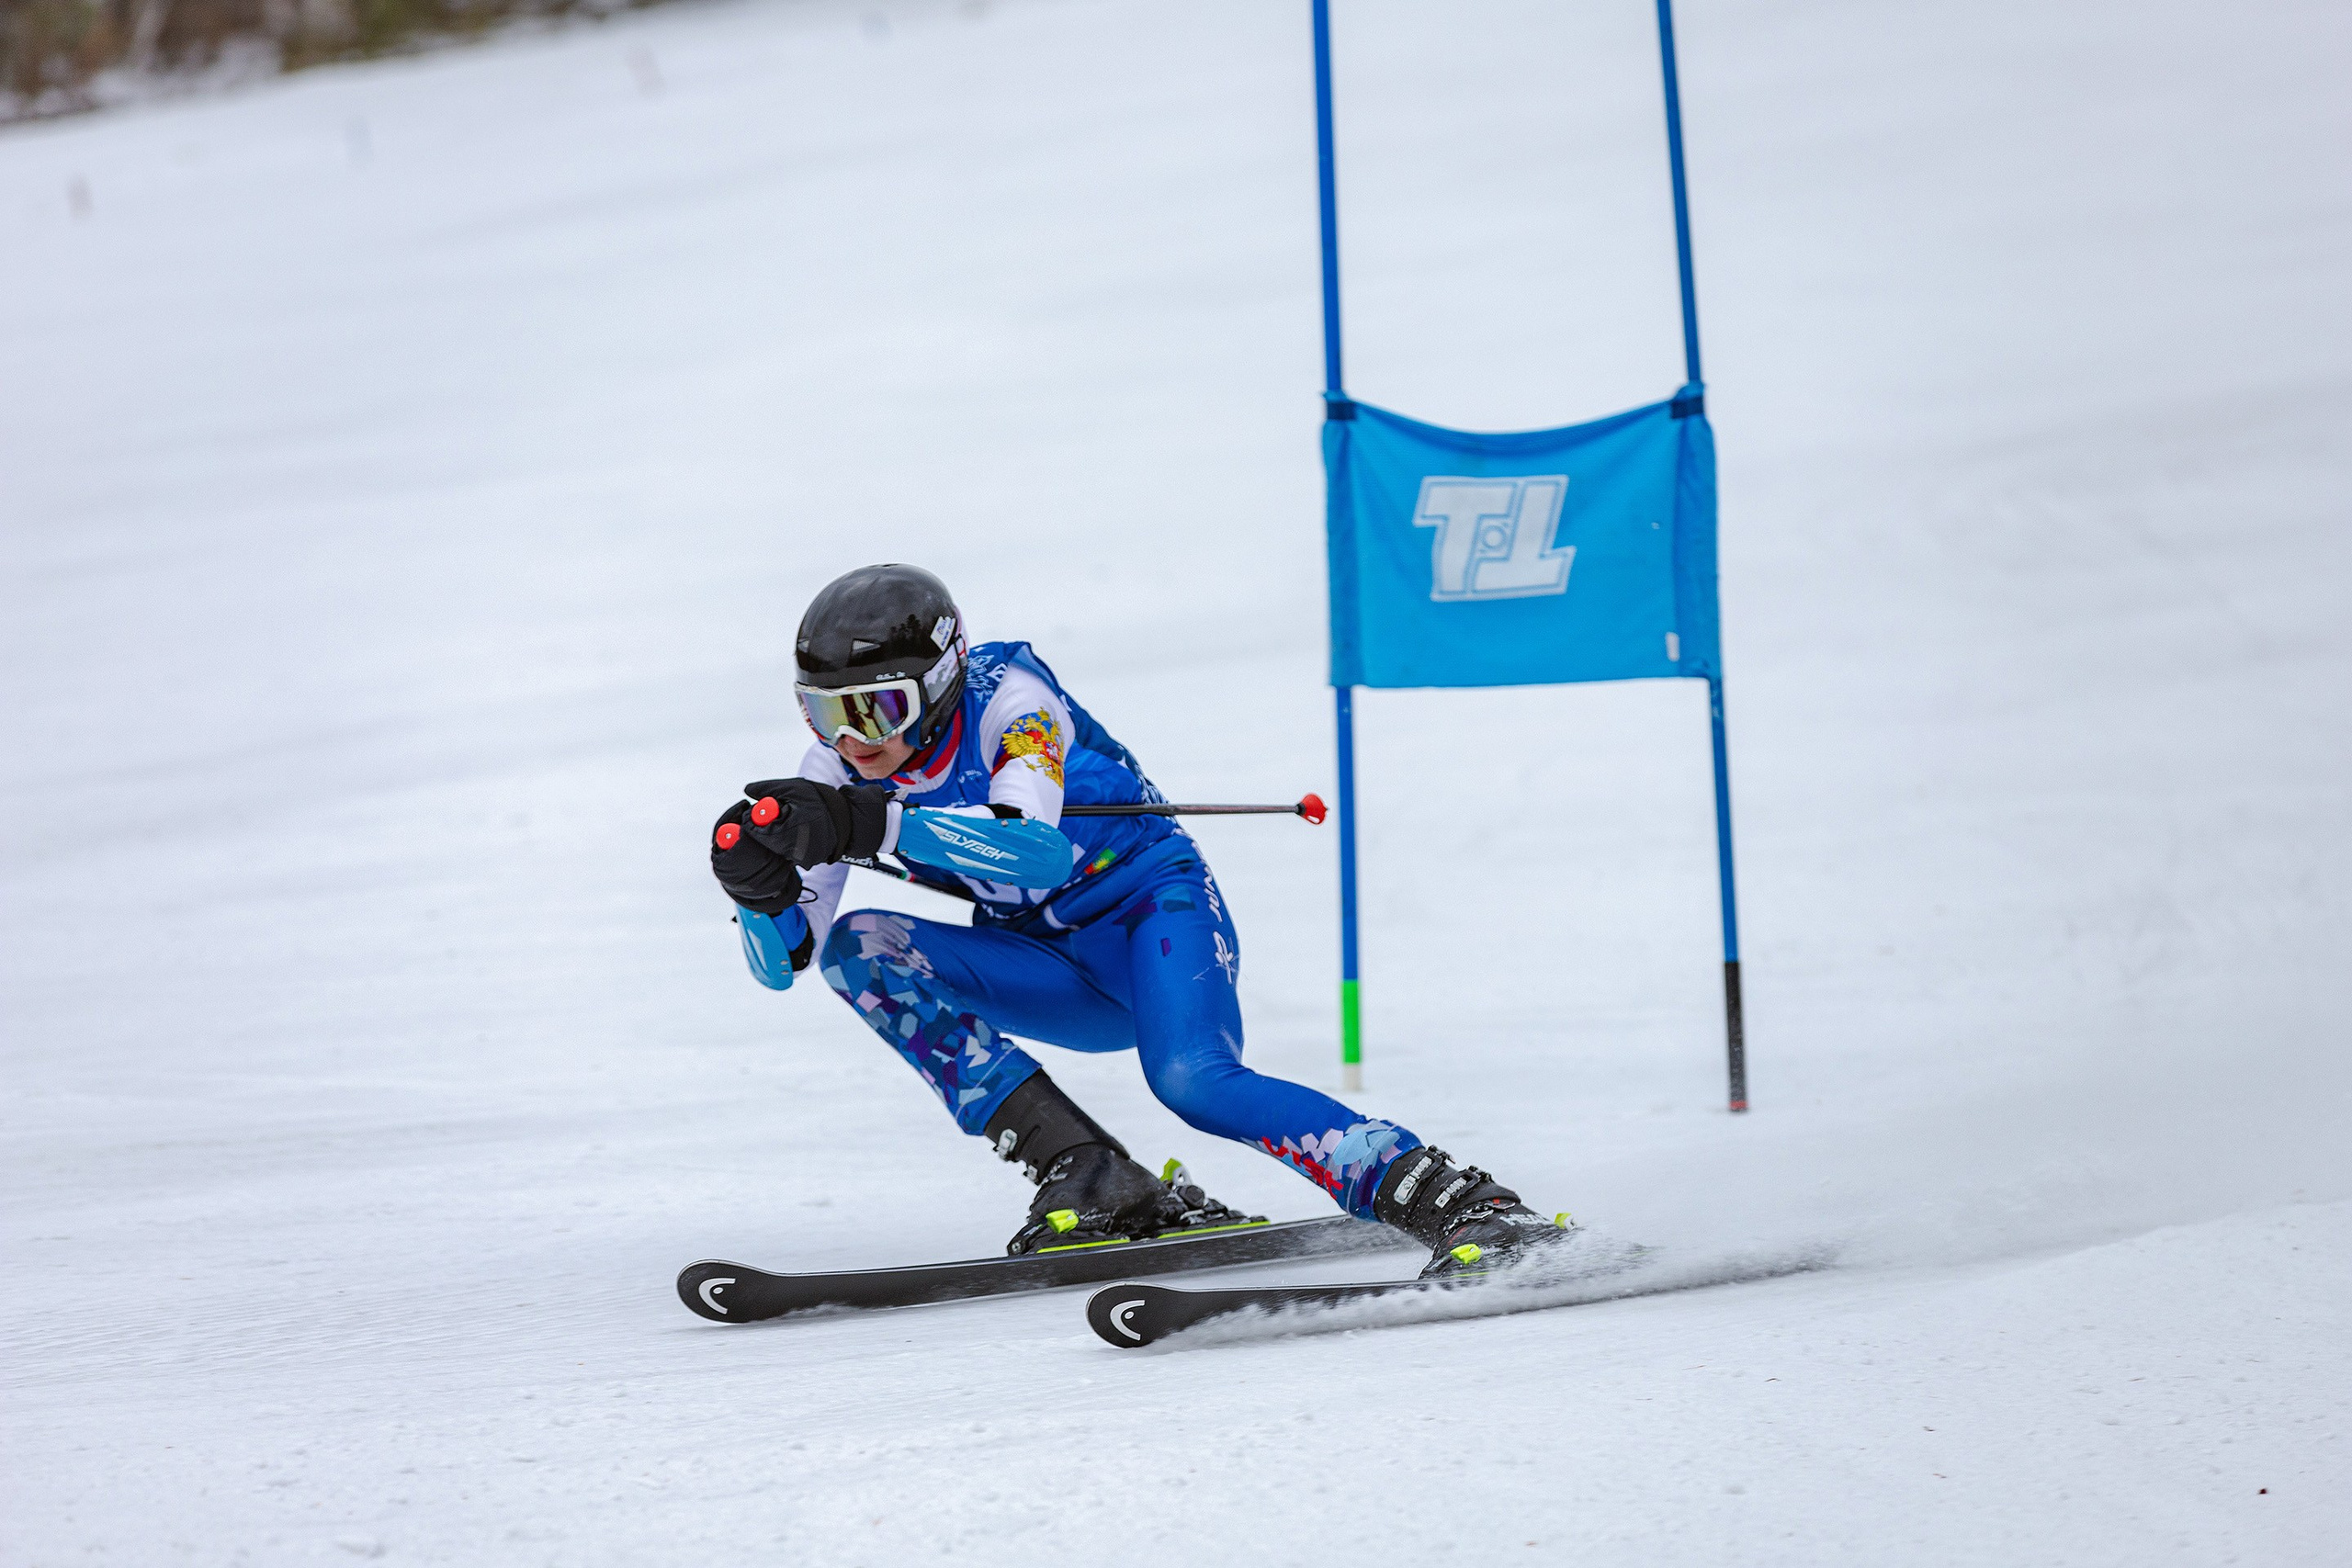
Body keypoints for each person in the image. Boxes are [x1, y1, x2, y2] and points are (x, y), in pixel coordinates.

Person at [708, 563, 1577, 1276]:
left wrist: (876, 824)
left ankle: (1451, 1197)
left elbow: (1033, 849)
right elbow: (789, 962)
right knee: (861, 949)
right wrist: (761, 896)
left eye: (877, 708)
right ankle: (1089, 1171)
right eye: (825, 712)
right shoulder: (835, 772)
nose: (852, 740)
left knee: (1195, 1079)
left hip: (1151, 917)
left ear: (938, 685)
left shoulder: (1013, 700)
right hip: (1045, 962)